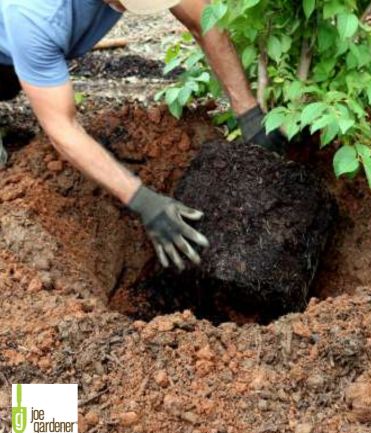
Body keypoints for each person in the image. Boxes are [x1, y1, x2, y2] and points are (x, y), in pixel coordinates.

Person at [0, 0, 286, 270]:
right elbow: (63, 129)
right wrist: (142, 200)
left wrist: (249, 114)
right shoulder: (35, 16)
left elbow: (204, 20)